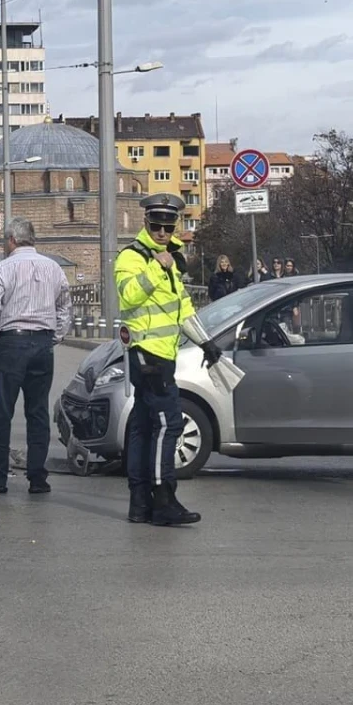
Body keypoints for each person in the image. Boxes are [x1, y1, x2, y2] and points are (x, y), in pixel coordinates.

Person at [114, 194, 221, 526]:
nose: (162, 232)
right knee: (169, 425)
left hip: (163, 357)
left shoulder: (171, 258)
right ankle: (162, 499)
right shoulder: (132, 257)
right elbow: (128, 295)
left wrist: (206, 342)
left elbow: (182, 308)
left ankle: (139, 503)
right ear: (146, 223)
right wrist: (155, 270)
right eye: (156, 226)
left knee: (144, 427)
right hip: (148, 357)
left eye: (168, 226)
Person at [0, 218, 71, 495]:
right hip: (42, 345)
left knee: (0, 410)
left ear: (11, 240)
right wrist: (54, 337)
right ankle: (38, 479)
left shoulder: (3, 268)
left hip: (11, 343)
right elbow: (65, 306)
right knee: (37, 412)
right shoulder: (53, 268)